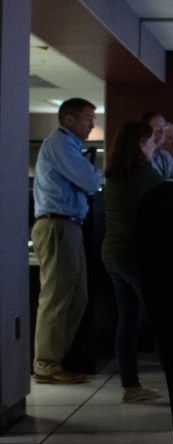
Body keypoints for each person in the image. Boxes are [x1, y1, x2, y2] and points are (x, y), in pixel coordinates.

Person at [31, 98, 104, 385]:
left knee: (77, 297)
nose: (92, 125)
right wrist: (92, 175)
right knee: (57, 299)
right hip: (57, 225)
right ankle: (47, 365)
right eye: (88, 118)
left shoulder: (70, 147)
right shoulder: (60, 143)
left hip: (68, 225)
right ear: (69, 120)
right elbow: (90, 181)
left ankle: (54, 361)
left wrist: (92, 175)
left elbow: (90, 178)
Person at [101, 121, 166, 403]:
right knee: (163, 320)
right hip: (136, 255)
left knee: (128, 320)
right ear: (140, 144)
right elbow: (168, 206)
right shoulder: (146, 175)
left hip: (113, 254)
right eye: (151, 141)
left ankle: (131, 386)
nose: (154, 146)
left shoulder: (115, 175)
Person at [142, 111, 173, 183]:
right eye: (157, 128)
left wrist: (165, 183)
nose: (162, 131)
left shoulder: (164, 155)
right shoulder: (139, 156)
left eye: (164, 127)